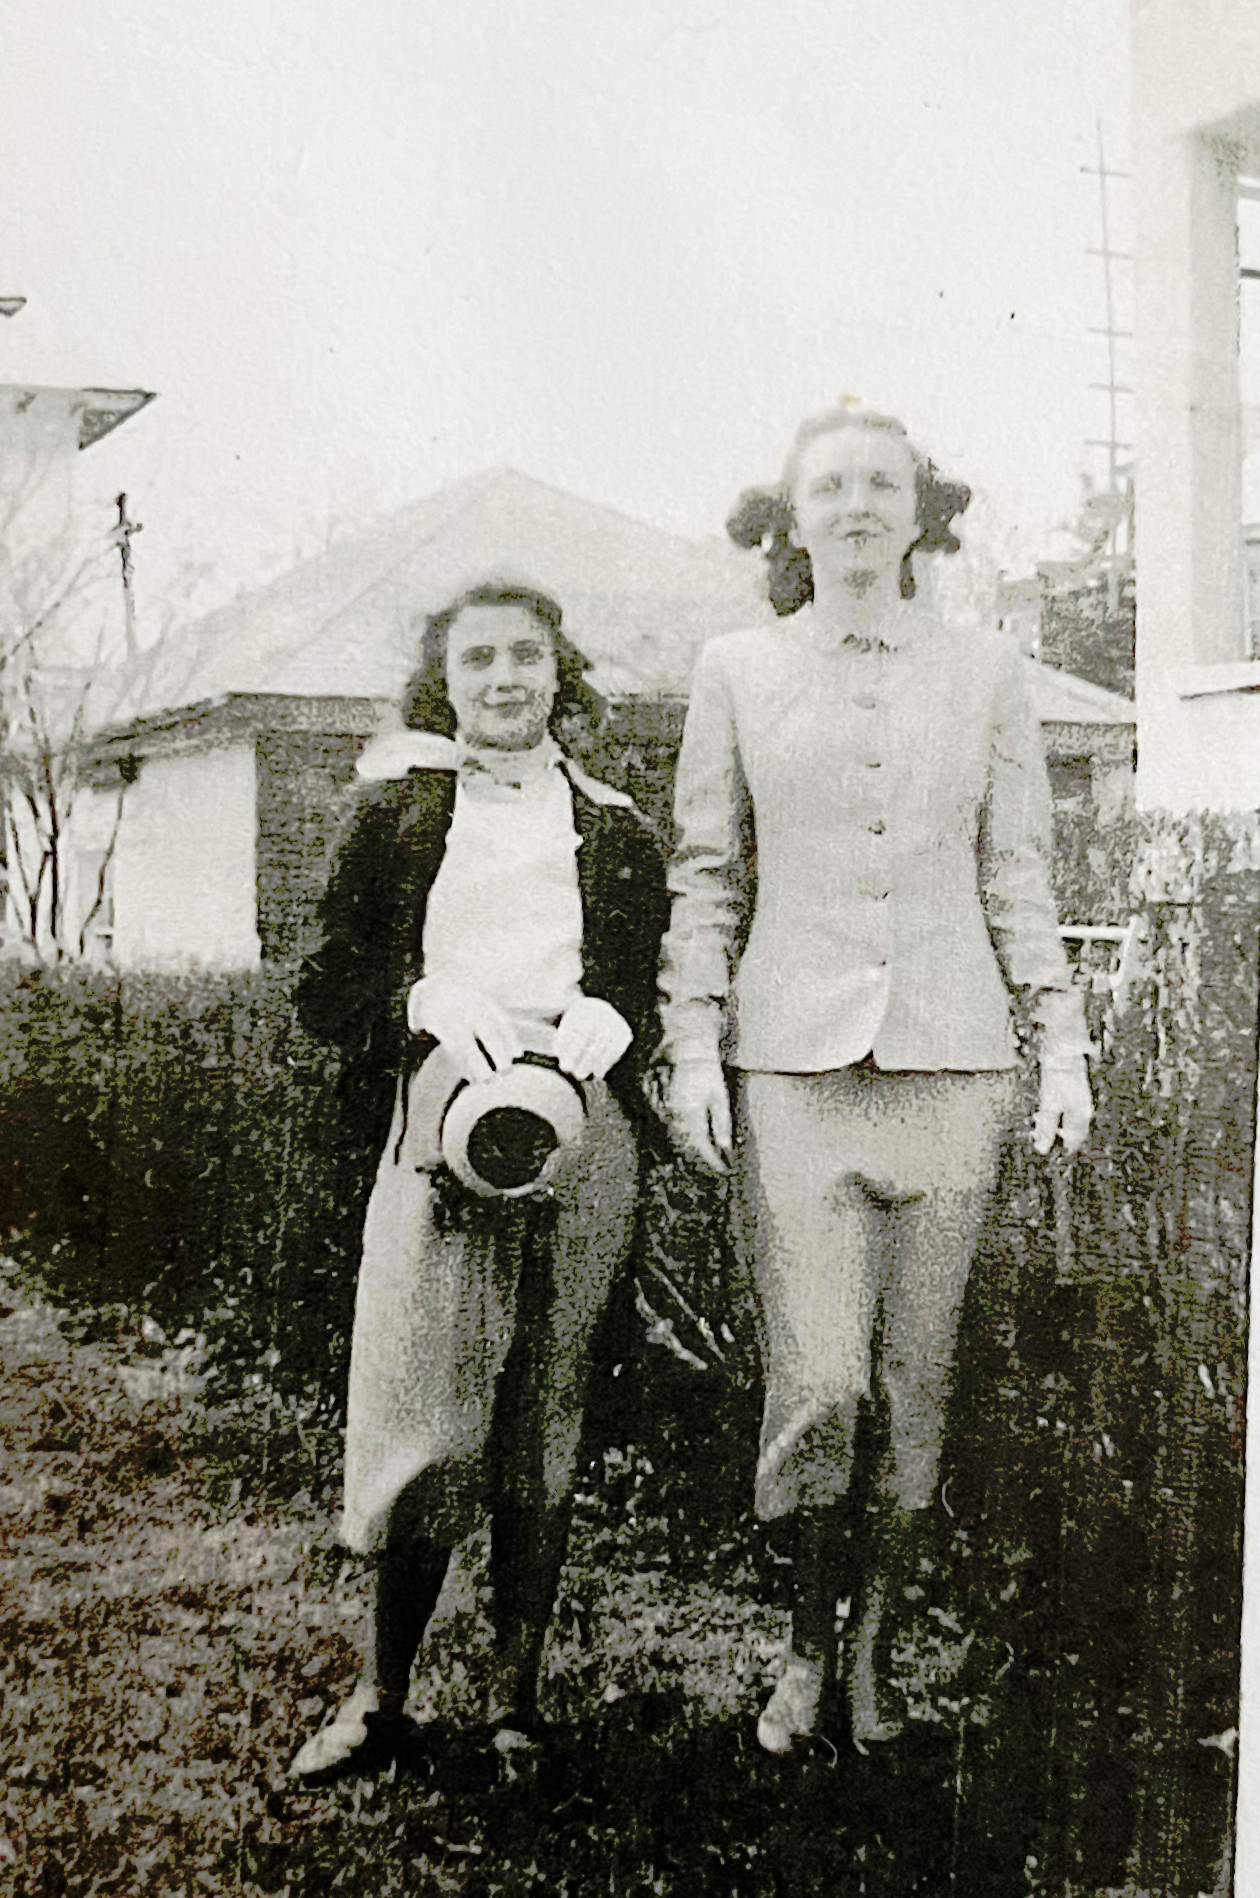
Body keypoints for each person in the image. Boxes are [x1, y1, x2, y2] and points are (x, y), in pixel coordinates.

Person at [659, 404, 1093, 1755]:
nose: (857, 504)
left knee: (915, 1390)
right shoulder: (737, 667)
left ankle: (868, 1660)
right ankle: (801, 1649)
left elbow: (1018, 871)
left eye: (882, 484)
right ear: (791, 516)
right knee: (821, 1383)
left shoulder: (989, 671)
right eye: (830, 485)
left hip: (953, 1067)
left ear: (922, 512)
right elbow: (706, 874)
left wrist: (1061, 1040)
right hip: (792, 1074)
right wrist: (691, 1043)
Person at [290, 579, 668, 1776]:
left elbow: (649, 984)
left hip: (582, 1125)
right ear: (443, 681)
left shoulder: (616, 825)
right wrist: (418, 997)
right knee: (425, 1409)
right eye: (478, 658)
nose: (505, 677)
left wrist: (619, 1014)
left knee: (545, 1412)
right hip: (443, 1122)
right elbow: (323, 983)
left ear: (561, 672)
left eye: (526, 655)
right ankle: (380, 1694)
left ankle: (517, 1702)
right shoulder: (396, 810)